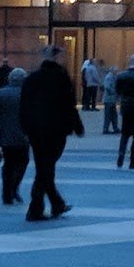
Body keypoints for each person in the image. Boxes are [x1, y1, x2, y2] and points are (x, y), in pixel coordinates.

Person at [20, 45, 84, 221]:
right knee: (46, 168)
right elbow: (69, 105)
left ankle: (55, 203)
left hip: (35, 131)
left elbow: (24, 106)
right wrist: (77, 126)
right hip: (56, 130)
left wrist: (25, 128)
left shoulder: (31, 79)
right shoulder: (61, 79)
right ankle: (37, 208)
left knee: (44, 167)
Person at [0, 67, 30, 205]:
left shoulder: (0, 94)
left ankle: (7, 193)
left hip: (5, 137)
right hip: (23, 137)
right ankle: (14, 188)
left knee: (8, 165)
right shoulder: (28, 94)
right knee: (22, 163)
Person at [101, 66, 120, 135]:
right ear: (112, 71)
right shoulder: (109, 77)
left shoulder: (113, 77)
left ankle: (115, 128)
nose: (117, 72)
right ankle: (105, 129)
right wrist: (114, 92)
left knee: (114, 114)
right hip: (108, 99)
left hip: (112, 99)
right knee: (108, 115)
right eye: (116, 71)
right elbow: (107, 87)